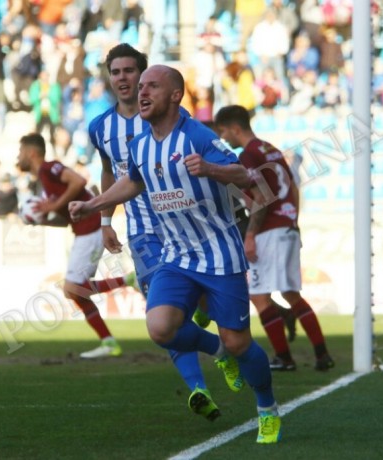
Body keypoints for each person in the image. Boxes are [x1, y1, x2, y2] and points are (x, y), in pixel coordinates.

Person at [70, 65, 281, 444]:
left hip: (219, 255)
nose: (141, 92)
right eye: (140, 87)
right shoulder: (140, 144)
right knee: (160, 327)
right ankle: (218, 351)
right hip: (175, 256)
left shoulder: (197, 135)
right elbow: (133, 182)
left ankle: (266, 406)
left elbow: (246, 176)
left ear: (174, 96)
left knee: (239, 342)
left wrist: (212, 168)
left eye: (151, 86)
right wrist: (95, 206)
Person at [89, 43, 241, 423]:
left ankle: (223, 346)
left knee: (199, 309)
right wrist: (106, 219)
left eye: (131, 72)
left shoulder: (166, 115)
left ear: (145, 78)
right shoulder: (100, 128)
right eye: (116, 72)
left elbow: (201, 153)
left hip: (191, 228)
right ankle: (199, 387)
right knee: (164, 319)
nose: (124, 79)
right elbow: (112, 173)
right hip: (145, 235)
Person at [214, 104, 335, 372]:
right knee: (291, 293)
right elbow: (291, 186)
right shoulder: (271, 149)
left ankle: (284, 357)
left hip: (270, 230)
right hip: (287, 226)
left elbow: (261, 197)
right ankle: (322, 354)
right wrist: (293, 221)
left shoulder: (249, 154)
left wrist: (251, 235)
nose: (224, 139)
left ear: (235, 128)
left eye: (224, 133)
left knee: (258, 295)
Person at [17, 132, 134, 358]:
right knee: (75, 291)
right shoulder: (45, 181)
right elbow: (69, 217)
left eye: (21, 152)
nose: (18, 156)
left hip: (91, 229)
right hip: (84, 229)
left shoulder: (49, 168)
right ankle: (109, 341)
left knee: (73, 289)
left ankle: (128, 282)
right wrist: (44, 221)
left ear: (31, 153)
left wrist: (52, 207)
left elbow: (78, 180)